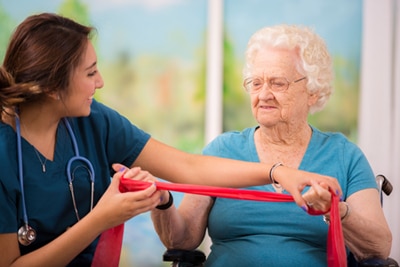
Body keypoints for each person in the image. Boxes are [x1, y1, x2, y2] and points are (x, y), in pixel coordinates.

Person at [0, 14, 342, 267]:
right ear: (50, 86)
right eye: (90, 73)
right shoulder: (3, 152)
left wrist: (277, 173)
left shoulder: (94, 122)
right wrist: (102, 217)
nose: (101, 82)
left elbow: (187, 166)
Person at [150, 25, 393, 266]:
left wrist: (336, 212)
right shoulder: (222, 150)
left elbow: (378, 247)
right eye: (256, 83)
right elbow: (182, 240)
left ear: (312, 92)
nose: (263, 94)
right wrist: (163, 202)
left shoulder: (344, 156)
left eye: (277, 83)